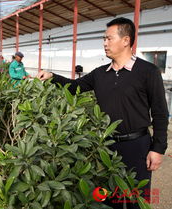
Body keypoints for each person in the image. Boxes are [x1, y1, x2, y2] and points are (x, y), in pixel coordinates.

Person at [37, 17, 168, 209]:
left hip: (137, 146)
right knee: (105, 199)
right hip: (105, 146)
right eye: (104, 39)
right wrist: (52, 76)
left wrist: (158, 148)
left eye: (109, 38)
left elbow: (160, 113)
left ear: (126, 40)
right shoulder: (100, 73)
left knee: (134, 200)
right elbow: (75, 87)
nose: (104, 43)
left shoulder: (148, 71)